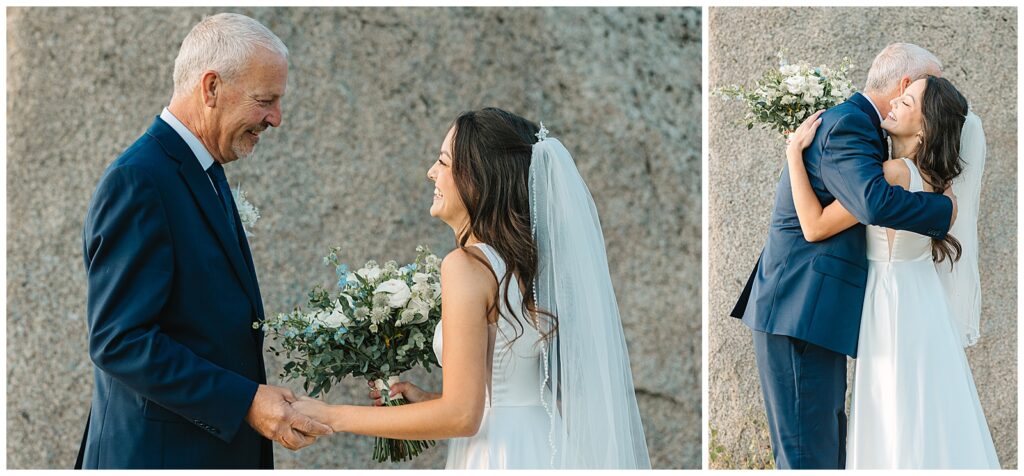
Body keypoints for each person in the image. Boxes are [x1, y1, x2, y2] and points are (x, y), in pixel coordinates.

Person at [291, 107, 651, 468]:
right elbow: (511, 393)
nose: (432, 172)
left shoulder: (466, 265)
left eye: (443, 162)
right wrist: (429, 398)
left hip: (500, 457)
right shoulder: (525, 268)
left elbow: (462, 417)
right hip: (544, 444)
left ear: (478, 177)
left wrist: (331, 415)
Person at [77, 13, 331, 469]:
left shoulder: (205, 170)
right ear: (211, 88)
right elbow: (120, 340)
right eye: (265, 100)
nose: (276, 118)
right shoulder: (139, 181)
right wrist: (245, 401)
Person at [729, 43, 957, 469]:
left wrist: (794, 156)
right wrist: (945, 210)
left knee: (827, 447)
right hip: (799, 307)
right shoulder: (850, 125)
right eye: (931, 85)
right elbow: (869, 202)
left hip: (814, 312)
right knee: (808, 454)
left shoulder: (865, 130)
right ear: (905, 85)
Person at [785, 75, 999, 469]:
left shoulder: (891, 175)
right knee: (926, 404)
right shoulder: (941, 185)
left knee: (892, 407)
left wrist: (793, 157)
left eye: (909, 101)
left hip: (891, 302)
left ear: (924, 125)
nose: (897, 101)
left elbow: (814, 225)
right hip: (923, 300)